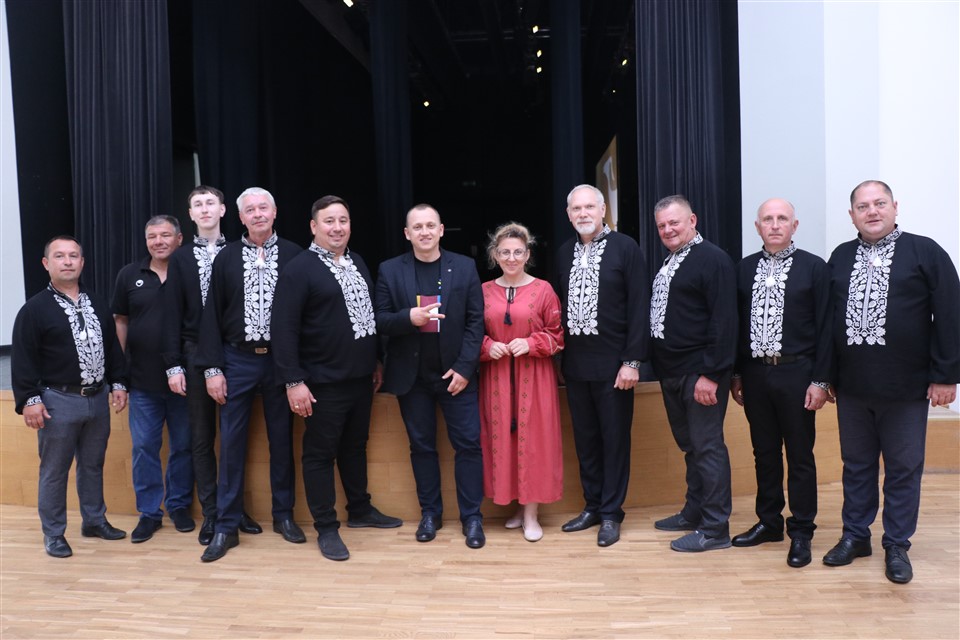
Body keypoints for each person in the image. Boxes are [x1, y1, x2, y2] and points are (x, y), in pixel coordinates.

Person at [823, 180, 959, 584]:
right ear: (852, 215)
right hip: (852, 387)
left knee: (902, 467)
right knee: (856, 465)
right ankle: (855, 535)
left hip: (906, 387)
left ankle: (897, 544)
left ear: (895, 207)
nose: (872, 211)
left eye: (879, 203)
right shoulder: (840, 256)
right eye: (863, 206)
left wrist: (946, 376)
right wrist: (826, 376)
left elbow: (949, 314)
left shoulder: (925, 251)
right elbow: (828, 323)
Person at [272, 196, 402, 561]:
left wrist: (375, 361)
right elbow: (283, 329)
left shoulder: (357, 261)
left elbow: (366, 318)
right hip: (321, 383)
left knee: (355, 447)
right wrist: (293, 381)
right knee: (319, 455)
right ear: (314, 226)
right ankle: (326, 527)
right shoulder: (299, 269)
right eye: (329, 221)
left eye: (343, 220)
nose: (337, 227)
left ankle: (359, 509)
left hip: (361, 379)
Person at [197, 187, 305, 562]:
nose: (258, 214)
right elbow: (210, 316)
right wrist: (213, 369)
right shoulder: (225, 257)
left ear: (274, 213)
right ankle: (226, 526)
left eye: (263, 208)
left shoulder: (295, 255)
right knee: (231, 444)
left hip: (280, 361)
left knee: (282, 440)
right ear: (240, 217)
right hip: (237, 360)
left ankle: (284, 515)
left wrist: (298, 370)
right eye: (250, 210)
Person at [375, 203, 486, 549]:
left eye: (430, 226)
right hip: (413, 379)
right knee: (422, 447)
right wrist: (408, 318)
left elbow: (476, 321)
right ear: (407, 234)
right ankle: (430, 514)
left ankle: (472, 517)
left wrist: (465, 367)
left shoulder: (464, 267)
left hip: (456, 377)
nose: (424, 232)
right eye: (417, 227)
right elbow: (379, 319)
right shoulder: (389, 270)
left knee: (468, 446)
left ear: (440, 230)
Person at [729, 199, 833, 568]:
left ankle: (801, 530)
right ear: (757, 226)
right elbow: (735, 326)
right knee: (764, 452)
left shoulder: (814, 268)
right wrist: (737, 374)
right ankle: (769, 521)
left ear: (794, 225)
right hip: (756, 373)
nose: (775, 225)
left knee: (800, 454)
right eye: (768, 219)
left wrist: (821, 380)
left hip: (797, 374)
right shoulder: (743, 269)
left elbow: (826, 328)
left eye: (782, 219)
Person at [12, 236, 128, 557]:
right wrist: (30, 400)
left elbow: (112, 348)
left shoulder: (97, 303)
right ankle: (54, 534)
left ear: (82, 262)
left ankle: (94, 520)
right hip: (57, 402)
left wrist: (119, 383)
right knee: (55, 470)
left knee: (92, 464)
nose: (67, 261)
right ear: (46, 264)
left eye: (73, 256)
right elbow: (23, 359)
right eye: (59, 256)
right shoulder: (34, 310)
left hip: (98, 398)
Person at [163, 185, 262, 546]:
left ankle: (233, 508)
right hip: (194, 354)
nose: (204, 209)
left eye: (210, 203)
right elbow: (172, 312)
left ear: (222, 210)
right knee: (202, 437)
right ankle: (212, 512)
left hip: (234, 351)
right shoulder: (181, 258)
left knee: (234, 437)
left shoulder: (241, 252)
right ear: (190, 214)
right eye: (197, 205)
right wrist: (173, 364)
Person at [556, 184, 649, 548]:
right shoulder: (563, 252)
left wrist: (631, 361)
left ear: (603, 209)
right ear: (569, 215)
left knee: (614, 441)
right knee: (586, 441)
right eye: (576, 209)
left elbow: (639, 306)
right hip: (577, 367)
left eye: (589, 207)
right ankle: (592, 506)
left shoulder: (626, 247)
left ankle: (611, 513)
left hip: (615, 368)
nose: (583, 213)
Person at [649, 195, 737, 552]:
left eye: (674, 222)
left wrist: (711, 374)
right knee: (692, 448)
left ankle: (715, 529)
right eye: (662, 225)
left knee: (707, 447)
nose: (668, 230)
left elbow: (724, 320)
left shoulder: (712, 259)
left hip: (699, 373)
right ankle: (695, 511)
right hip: (673, 371)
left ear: (693, 220)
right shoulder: (672, 260)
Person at [479, 222, 564, 543]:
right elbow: (470, 332)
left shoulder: (544, 290)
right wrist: (487, 346)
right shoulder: (483, 291)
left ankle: (531, 514)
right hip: (497, 379)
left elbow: (558, 336)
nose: (511, 258)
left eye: (518, 252)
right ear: (495, 255)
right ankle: (516, 507)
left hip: (535, 379)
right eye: (505, 252)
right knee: (506, 440)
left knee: (533, 442)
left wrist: (531, 343)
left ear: (528, 255)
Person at [112, 215, 194, 543]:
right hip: (142, 381)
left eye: (165, 235)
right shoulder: (129, 274)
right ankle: (149, 512)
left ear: (179, 239)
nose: (158, 241)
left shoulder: (190, 273)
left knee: (183, 446)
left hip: (185, 381)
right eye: (152, 237)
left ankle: (179, 505)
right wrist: (118, 374)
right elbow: (120, 321)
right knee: (145, 447)